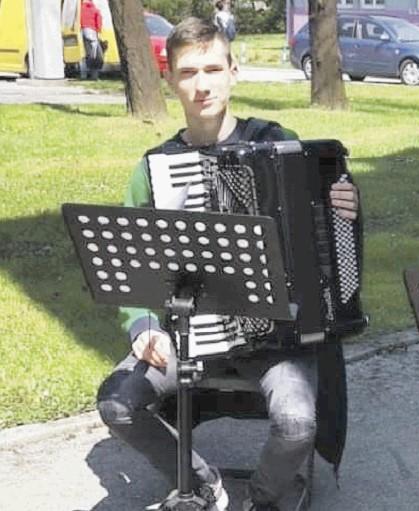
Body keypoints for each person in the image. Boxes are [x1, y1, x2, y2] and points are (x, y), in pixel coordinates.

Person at [95, 17, 359, 511]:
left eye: (213, 68)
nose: (202, 84)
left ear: (234, 72)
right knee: (117, 404)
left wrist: (343, 205)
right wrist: (143, 327)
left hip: (273, 335)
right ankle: (202, 485)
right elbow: (134, 269)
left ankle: (261, 499)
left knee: (299, 421)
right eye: (189, 72)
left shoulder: (278, 140)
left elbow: (325, 231)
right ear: (170, 79)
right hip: (185, 331)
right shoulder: (154, 168)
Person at [80, 0, 103, 80]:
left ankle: (85, 74)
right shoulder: (94, 8)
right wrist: (99, 30)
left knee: (88, 53)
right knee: (95, 54)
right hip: (92, 31)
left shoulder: (81, 8)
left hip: (84, 31)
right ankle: (94, 75)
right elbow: (99, 18)